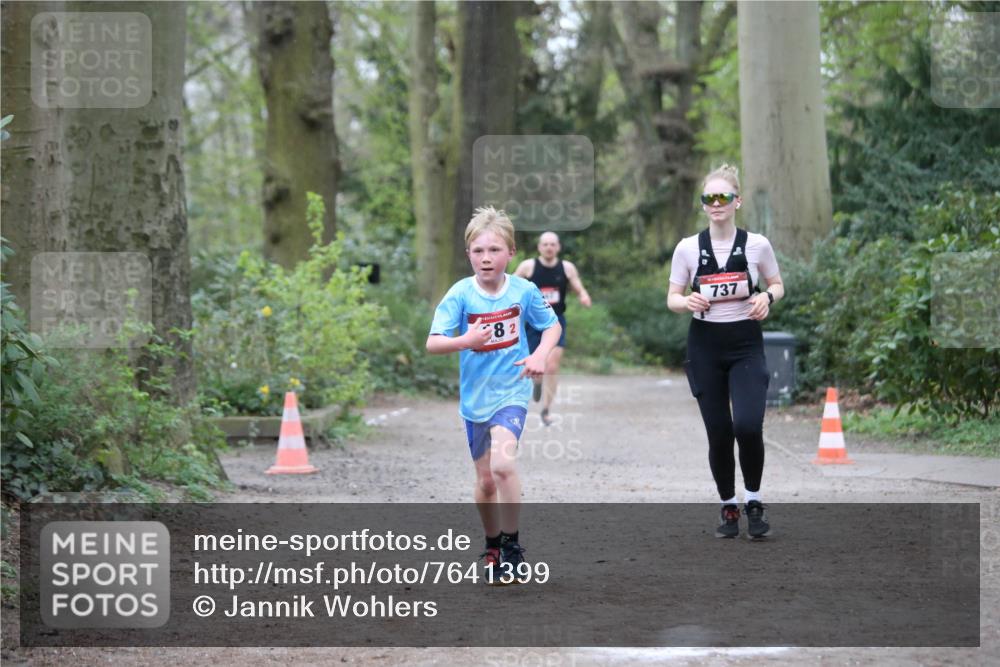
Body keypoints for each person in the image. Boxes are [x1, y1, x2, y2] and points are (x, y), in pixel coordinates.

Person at [426, 206, 561, 582]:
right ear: (468, 254)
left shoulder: (523, 291)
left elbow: (550, 328)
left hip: (512, 392)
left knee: (503, 467)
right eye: (479, 251)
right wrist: (465, 340)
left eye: (495, 250)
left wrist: (538, 354)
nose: (486, 258)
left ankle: (513, 547)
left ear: (511, 253)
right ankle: (491, 544)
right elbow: (432, 343)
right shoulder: (460, 295)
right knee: (485, 481)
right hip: (475, 400)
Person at [666, 164, 784, 539]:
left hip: (746, 343)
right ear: (703, 204)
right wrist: (687, 302)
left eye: (724, 197)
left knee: (748, 426)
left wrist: (767, 297)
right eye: (709, 198)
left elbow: (777, 284)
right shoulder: (687, 248)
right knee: (719, 432)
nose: (716, 203)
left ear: (738, 201)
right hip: (705, 345)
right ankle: (728, 505)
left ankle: (754, 499)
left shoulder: (757, 244)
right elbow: (671, 297)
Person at [514, 232, 591, 426]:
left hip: (556, 322)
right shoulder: (528, 266)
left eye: (552, 244)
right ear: (539, 247)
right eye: (545, 244)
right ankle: (537, 382)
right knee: (534, 364)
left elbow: (578, 287)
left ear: (558, 247)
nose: (549, 247)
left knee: (552, 365)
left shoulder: (566, 268)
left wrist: (583, 296)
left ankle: (546, 410)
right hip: (532, 324)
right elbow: (511, 287)